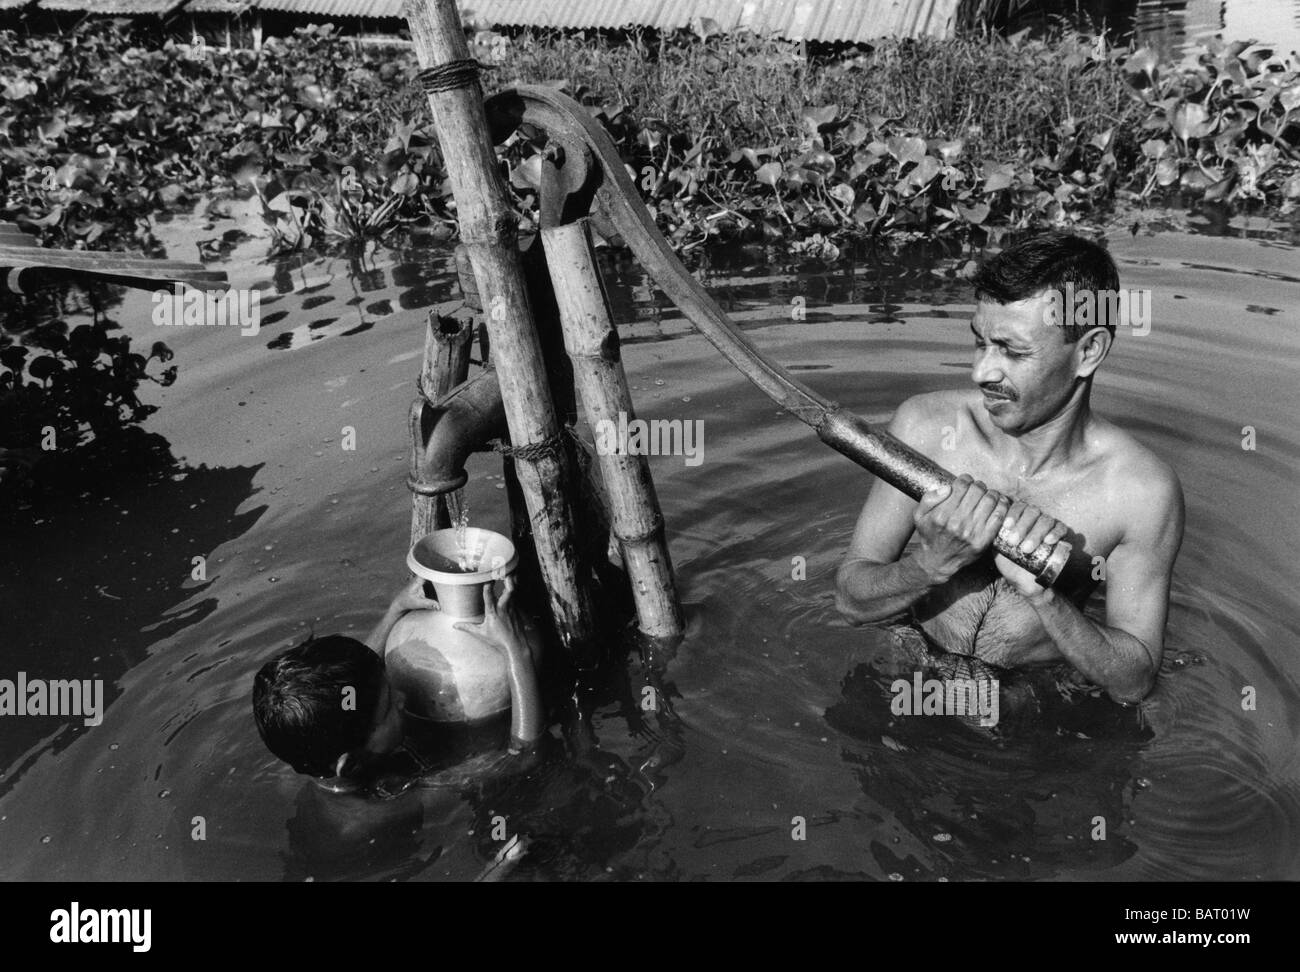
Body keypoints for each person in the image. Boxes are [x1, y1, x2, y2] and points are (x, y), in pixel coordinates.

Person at [835, 231, 1184, 704]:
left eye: (1013, 351)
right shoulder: (924, 428)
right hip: (909, 679)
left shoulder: (1139, 492)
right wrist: (931, 564)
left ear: (1088, 351)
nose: (981, 372)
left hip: (1035, 704)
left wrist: (1045, 597)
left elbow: (1135, 681)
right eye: (979, 342)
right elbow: (851, 602)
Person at [252, 576, 542, 793]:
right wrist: (516, 652)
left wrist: (396, 608)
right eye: (390, 706)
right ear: (350, 765)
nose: (402, 698)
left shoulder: (330, 747)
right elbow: (522, 758)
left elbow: (359, 685)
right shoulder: (393, 792)